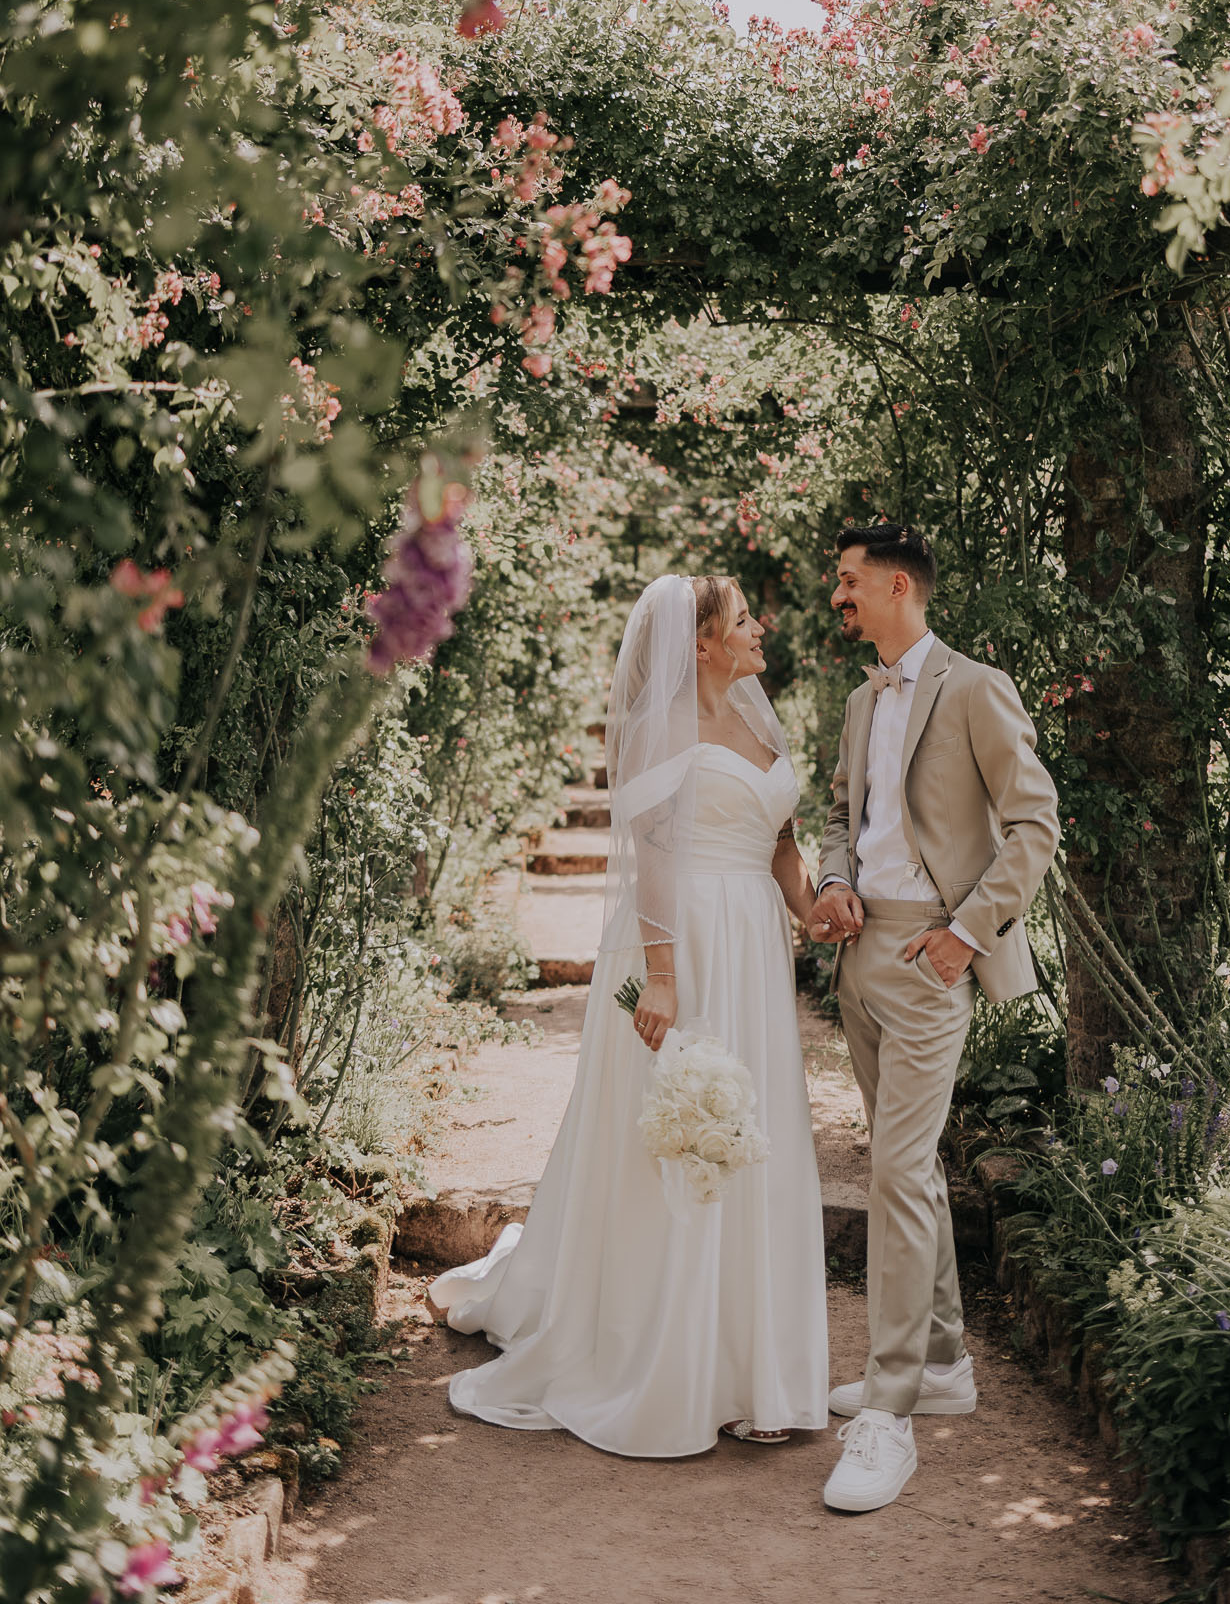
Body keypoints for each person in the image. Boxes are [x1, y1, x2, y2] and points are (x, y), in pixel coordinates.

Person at [428, 573, 829, 1456]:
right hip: (683, 940)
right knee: (676, 1138)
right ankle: (672, 1359)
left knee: (751, 1134)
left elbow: (783, 843)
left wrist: (813, 910)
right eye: (741, 618)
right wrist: (661, 975)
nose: (759, 627)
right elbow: (652, 855)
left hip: (754, 945)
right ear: (700, 642)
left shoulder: (760, 718)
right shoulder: (657, 730)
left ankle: (756, 1366)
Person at [807, 523, 1059, 1514]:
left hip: (929, 957)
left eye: (848, 583)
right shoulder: (860, 697)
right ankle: (943, 1359)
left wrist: (966, 930)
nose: (838, 597)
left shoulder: (974, 687)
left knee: (897, 1171)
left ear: (898, 585)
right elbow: (839, 811)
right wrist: (832, 880)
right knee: (898, 1159)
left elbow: (1033, 820)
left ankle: (889, 1412)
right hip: (859, 954)